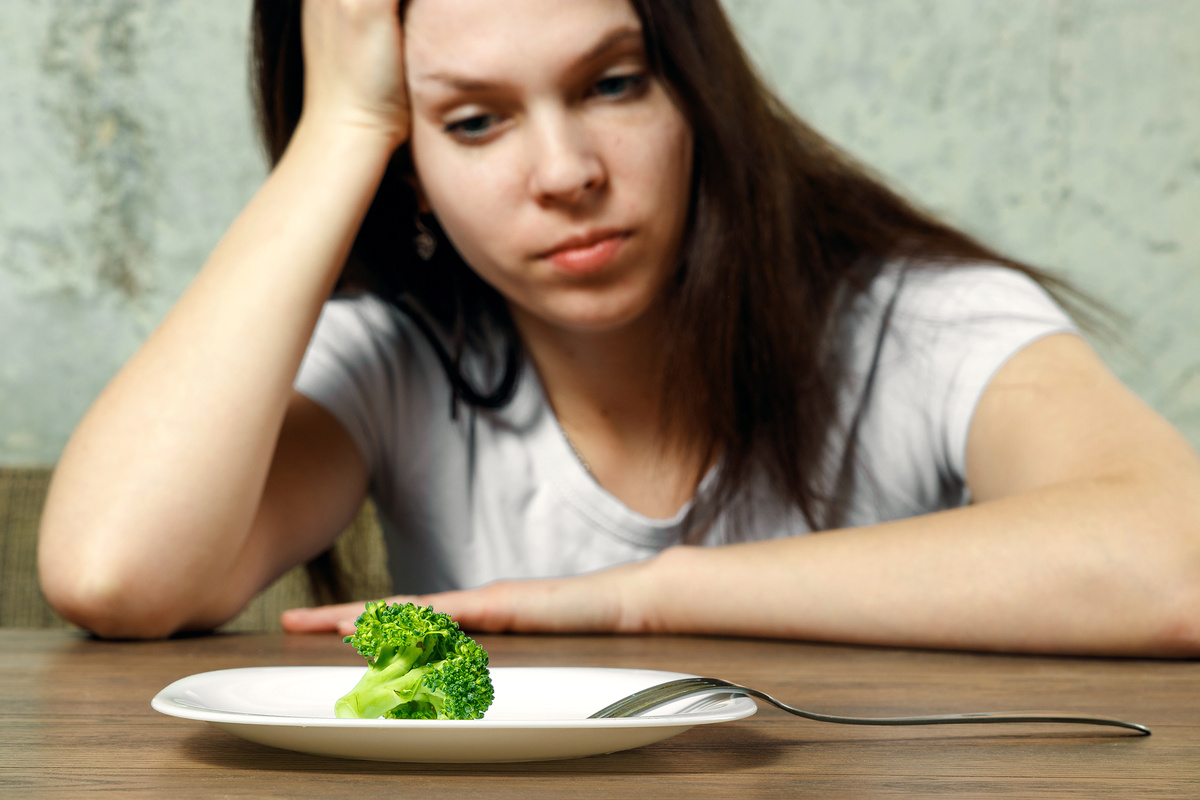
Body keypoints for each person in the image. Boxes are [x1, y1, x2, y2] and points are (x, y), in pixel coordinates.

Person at [37, 0, 1200, 655]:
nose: (567, 173)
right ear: (411, 167)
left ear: (697, 89)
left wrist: (641, 597)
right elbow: (111, 571)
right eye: (477, 120)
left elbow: (1177, 561)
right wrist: (341, 122)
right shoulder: (406, 358)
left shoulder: (913, 322)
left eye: (613, 84)